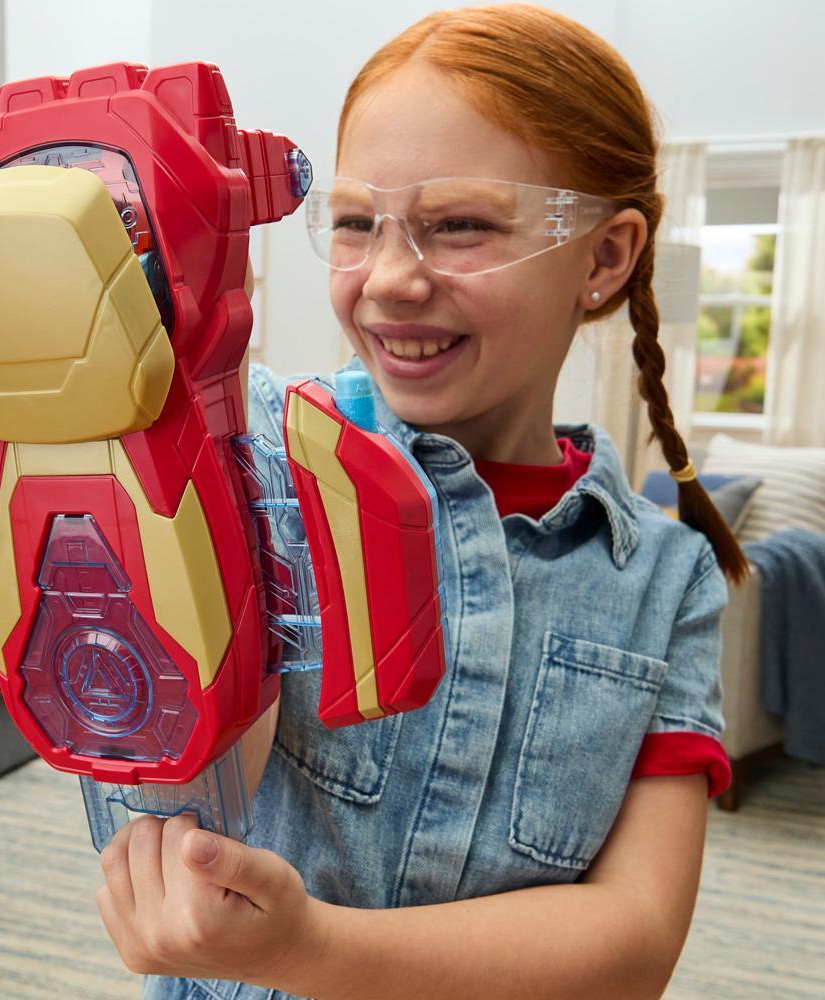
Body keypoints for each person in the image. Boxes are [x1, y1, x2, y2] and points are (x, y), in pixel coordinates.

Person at [96, 6, 748, 998]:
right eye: (356, 222)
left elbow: (634, 942)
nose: (393, 279)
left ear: (605, 257)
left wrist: (307, 950)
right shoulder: (256, 466)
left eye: (461, 225)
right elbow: (172, 776)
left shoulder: (666, 581)